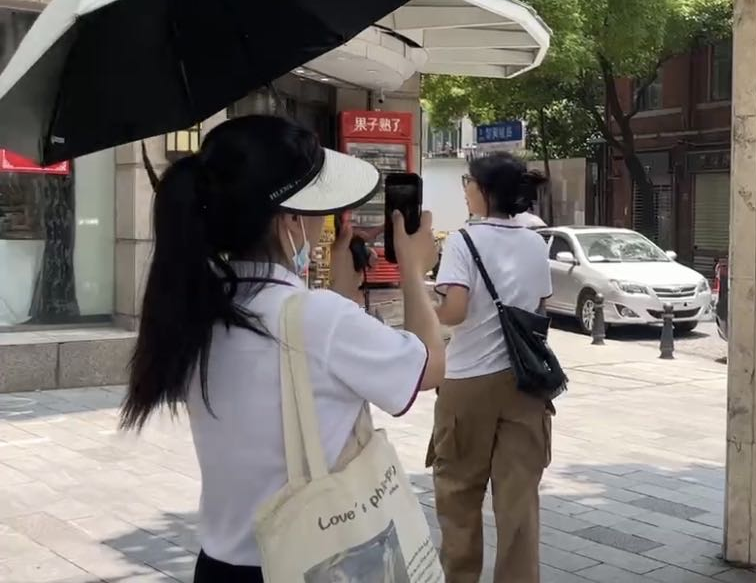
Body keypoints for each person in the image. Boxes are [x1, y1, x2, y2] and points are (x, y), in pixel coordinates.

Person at [118, 115, 445, 583]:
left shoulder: (199, 310)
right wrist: (413, 269)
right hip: (309, 564)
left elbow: (296, 353)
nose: (322, 225)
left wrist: (337, 292)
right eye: (318, 211)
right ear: (290, 218)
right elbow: (429, 367)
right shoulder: (318, 318)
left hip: (220, 566)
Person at [429, 152, 552, 583]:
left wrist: (426, 303)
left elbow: (455, 311)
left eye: (468, 181)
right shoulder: (535, 243)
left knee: (459, 495)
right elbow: (539, 308)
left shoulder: (462, 241)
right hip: (525, 385)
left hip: (467, 382)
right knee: (519, 503)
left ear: (483, 190)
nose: (464, 189)